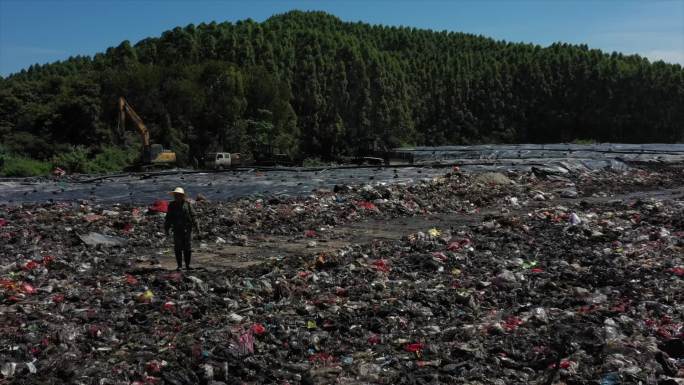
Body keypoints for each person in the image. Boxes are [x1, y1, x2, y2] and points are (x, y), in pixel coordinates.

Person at [164, 187, 200, 270]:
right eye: (176, 195)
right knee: (178, 248)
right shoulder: (172, 205)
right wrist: (167, 229)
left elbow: (194, 216)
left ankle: (187, 265)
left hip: (187, 229)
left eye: (179, 195)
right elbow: (168, 218)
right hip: (177, 229)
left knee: (187, 247)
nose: (177, 197)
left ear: (182, 196)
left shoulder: (187, 204)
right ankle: (179, 266)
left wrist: (197, 228)